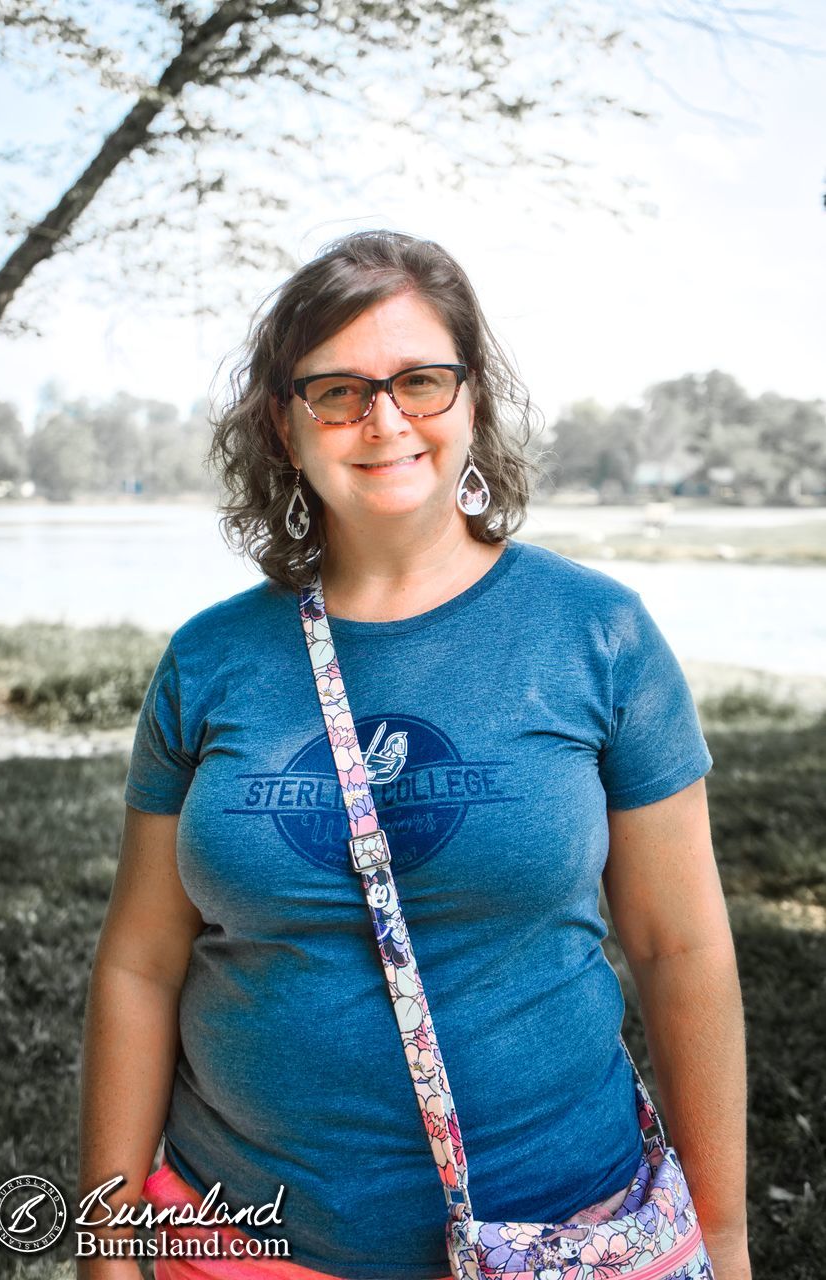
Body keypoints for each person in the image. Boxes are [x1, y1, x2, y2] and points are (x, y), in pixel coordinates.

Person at [77, 230, 750, 1280]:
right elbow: (139, 961)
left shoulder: (598, 634)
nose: (384, 419)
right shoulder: (207, 660)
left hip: (563, 1235)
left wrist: (726, 1230)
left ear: (472, 399)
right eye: (337, 390)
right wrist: (108, 1244)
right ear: (282, 421)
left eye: (420, 381)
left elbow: (681, 949)